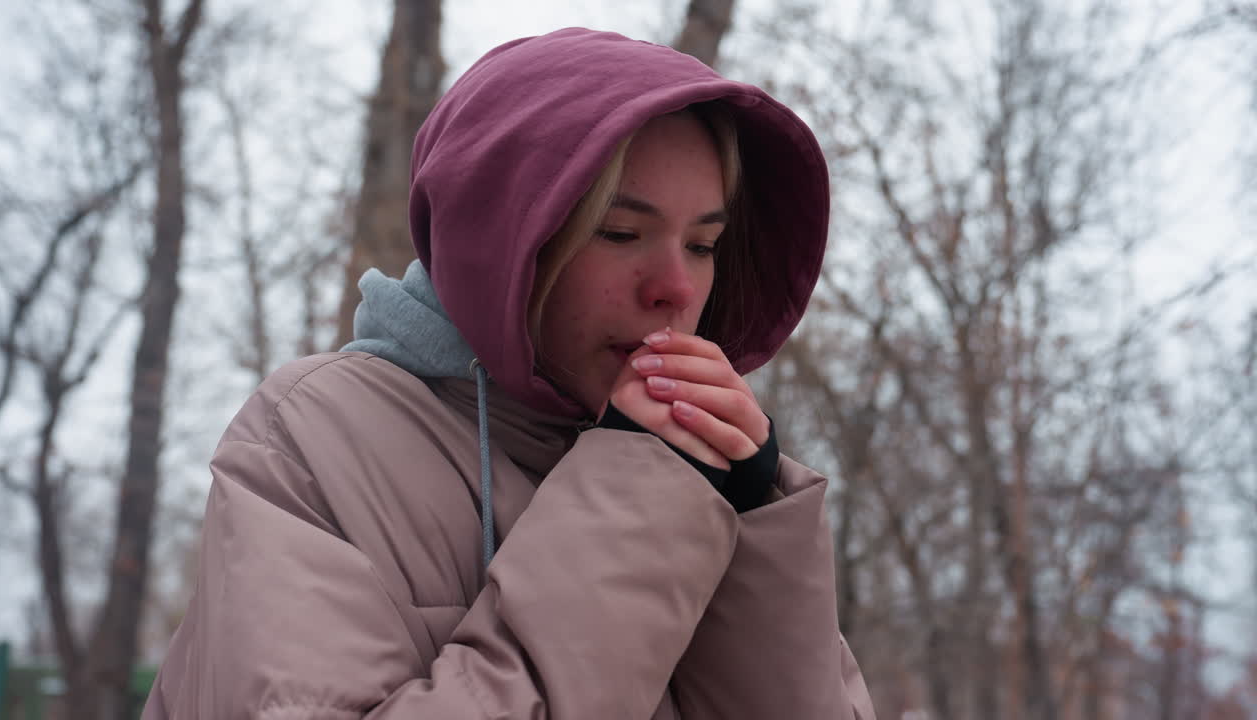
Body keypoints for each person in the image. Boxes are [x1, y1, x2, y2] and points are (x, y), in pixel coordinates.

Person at [142, 27, 875, 720]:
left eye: (706, 243)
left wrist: (747, 518)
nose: (677, 288)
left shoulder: (709, 473)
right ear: (503, 242)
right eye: (620, 233)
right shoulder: (316, 435)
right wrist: (639, 506)